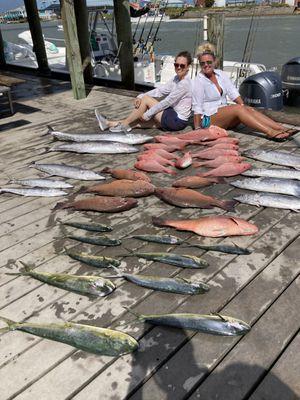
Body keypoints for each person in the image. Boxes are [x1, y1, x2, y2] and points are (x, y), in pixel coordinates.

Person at [192, 43, 297, 139]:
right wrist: (197, 129)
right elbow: (197, 107)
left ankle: (279, 127)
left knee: (247, 108)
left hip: (224, 115)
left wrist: (244, 107)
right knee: (238, 108)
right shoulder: (199, 81)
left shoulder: (220, 74)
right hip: (206, 120)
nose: (206, 65)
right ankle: (270, 131)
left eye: (209, 62)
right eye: (202, 63)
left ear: (214, 61)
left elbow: (233, 92)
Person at [95, 51, 193, 133]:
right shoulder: (176, 79)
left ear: (188, 67)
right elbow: (160, 91)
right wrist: (140, 95)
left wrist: (148, 114)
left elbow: (168, 102)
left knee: (146, 100)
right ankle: (108, 123)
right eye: (176, 64)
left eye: (182, 65)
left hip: (177, 120)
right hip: (171, 114)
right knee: (135, 123)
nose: (178, 67)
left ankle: (123, 125)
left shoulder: (185, 84)